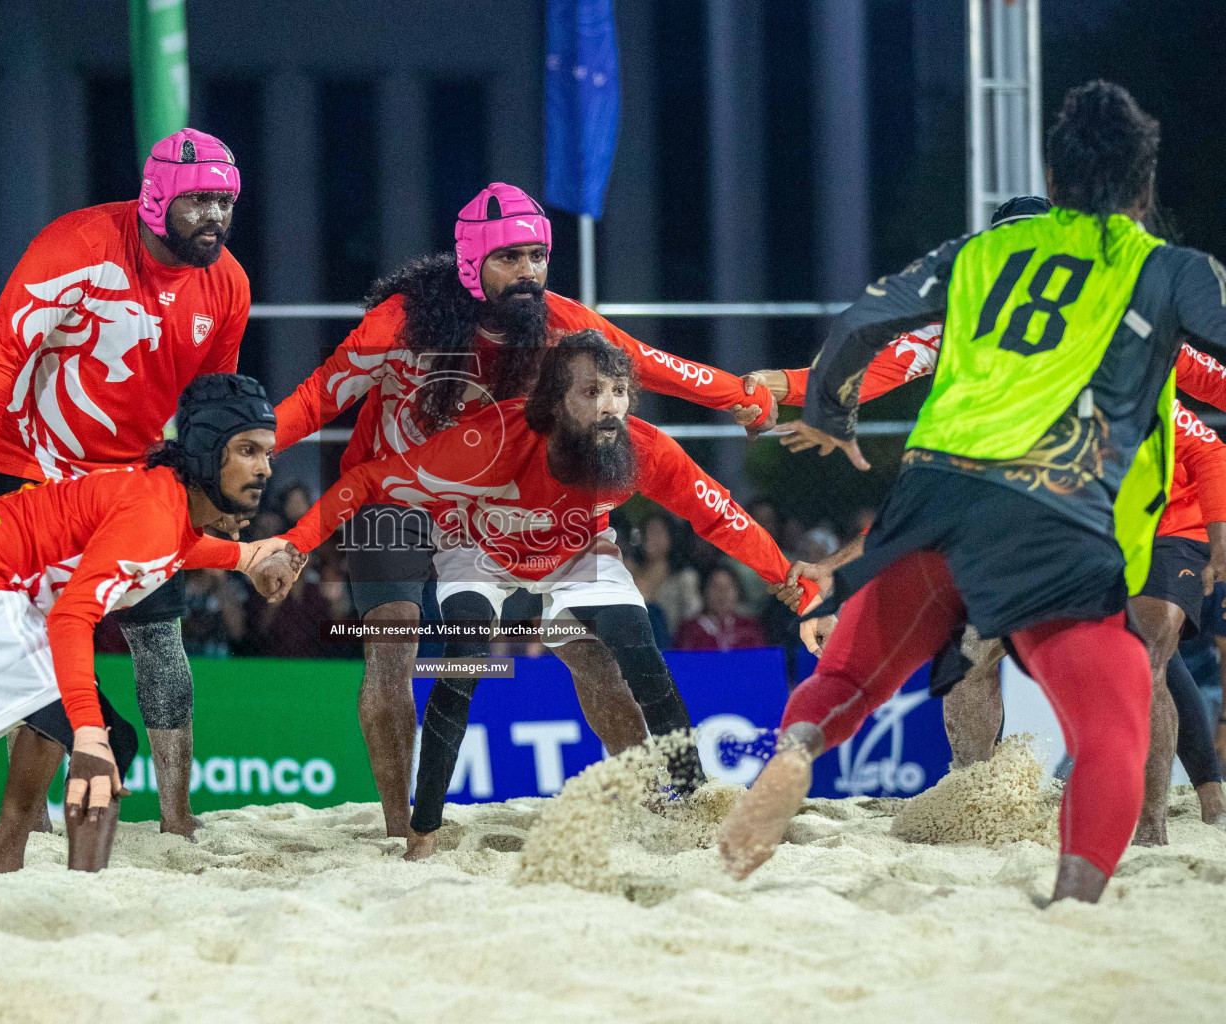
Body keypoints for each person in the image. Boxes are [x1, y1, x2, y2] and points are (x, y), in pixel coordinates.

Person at [719, 81, 1226, 904]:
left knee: (851, 680)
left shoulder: (975, 256)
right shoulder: (1161, 269)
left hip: (940, 496)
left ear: (1053, 184)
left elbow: (859, 328)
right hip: (1060, 514)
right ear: (1142, 189)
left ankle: (793, 759)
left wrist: (836, 415)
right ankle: (1074, 901)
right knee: (1111, 723)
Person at [271, 182, 776, 839]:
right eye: (511, 257)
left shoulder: (560, 319)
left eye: (538, 256)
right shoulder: (398, 324)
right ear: (472, 261)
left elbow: (651, 366)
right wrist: (240, 452)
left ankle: (656, 805)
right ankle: (403, 832)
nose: (529, 272)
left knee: (587, 650)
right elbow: (315, 400)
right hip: (396, 492)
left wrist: (742, 394)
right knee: (392, 647)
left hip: (495, 504)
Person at [276, 331, 817, 859]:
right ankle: (423, 835)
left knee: (634, 642)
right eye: (591, 392)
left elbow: (720, 517)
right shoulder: (488, 441)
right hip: (478, 548)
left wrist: (786, 576)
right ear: (554, 402)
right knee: (464, 656)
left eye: (619, 391)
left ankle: (694, 802)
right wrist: (294, 545)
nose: (610, 407)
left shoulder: (644, 449)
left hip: (578, 551)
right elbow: (370, 480)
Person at [0, 129, 251, 840]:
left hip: (133, 476)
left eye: (226, 202)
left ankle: (178, 821)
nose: (216, 216)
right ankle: (33, 820)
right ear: (158, 198)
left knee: (161, 637)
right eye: (201, 200)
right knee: (50, 645)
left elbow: (213, 402)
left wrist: (214, 492)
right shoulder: (76, 246)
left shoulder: (228, 282)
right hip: (37, 465)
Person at [0, 375, 301, 873]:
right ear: (210, 452)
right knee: (99, 740)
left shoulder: (164, 501)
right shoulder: (154, 513)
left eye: (269, 455)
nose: (265, 470)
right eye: (249, 451)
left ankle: (23, 873)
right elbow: (70, 617)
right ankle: (50, 882)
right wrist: (87, 734)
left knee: (83, 730)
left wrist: (247, 559)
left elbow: (171, 551)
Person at [676, 566, 767, 651]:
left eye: (728, 587)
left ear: (737, 592)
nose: (722, 594)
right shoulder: (689, 629)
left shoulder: (749, 627)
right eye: (716, 587)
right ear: (704, 591)